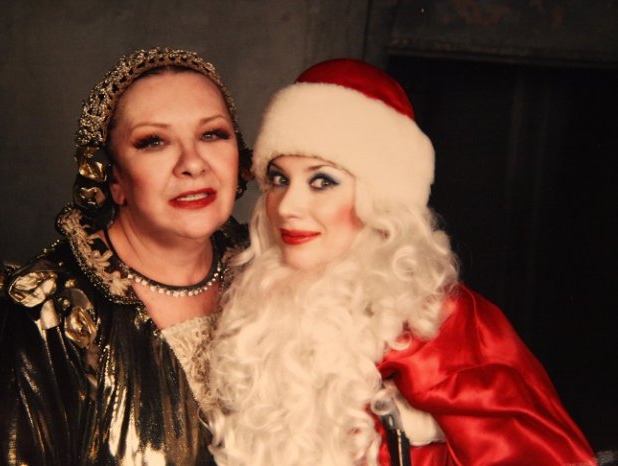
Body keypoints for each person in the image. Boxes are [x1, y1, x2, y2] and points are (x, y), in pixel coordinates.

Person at [207, 59, 596, 465]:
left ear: (380, 199)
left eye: (322, 181)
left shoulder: (439, 320)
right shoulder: (251, 298)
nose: (288, 206)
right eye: (278, 179)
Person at [0, 47, 251, 465]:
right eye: (154, 141)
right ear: (111, 176)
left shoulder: (272, 272)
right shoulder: (43, 312)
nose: (193, 163)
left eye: (212, 134)